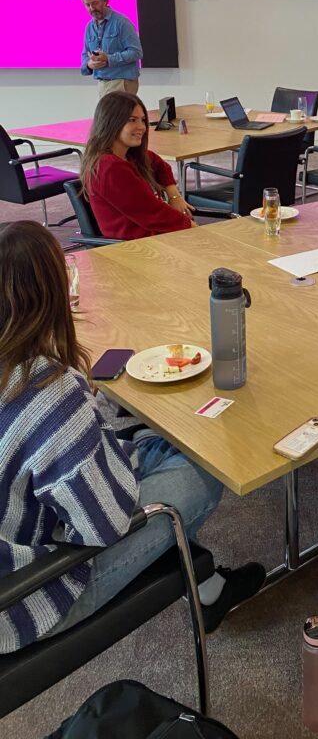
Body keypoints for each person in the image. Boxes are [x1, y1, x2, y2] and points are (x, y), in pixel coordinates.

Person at [0, 222, 265, 653]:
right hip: (32, 596)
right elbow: (106, 522)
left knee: (154, 445)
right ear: (53, 289)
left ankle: (208, 584)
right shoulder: (46, 388)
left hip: (16, 545)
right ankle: (205, 584)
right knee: (203, 465)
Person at [82, 92, 196, 240]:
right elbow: (152, 214)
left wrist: (174, 196)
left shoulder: (128, 155)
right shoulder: (110, 167)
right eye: (132, 120)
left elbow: (160, 166)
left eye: (143, 120)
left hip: (154, 236)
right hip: (139, 247)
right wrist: (193, 228)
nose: (141, 127)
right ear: (111, 122)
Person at [80, 0, 142, 98]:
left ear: (105, 0)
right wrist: (89, 64)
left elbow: (136, 52)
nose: (92, 8)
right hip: (102, 83)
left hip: (122, 82)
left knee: (118, 116)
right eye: (87, 5)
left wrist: (108, 59)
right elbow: (85, 55)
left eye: (95, 3)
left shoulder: (121, 22)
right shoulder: (89, 27)